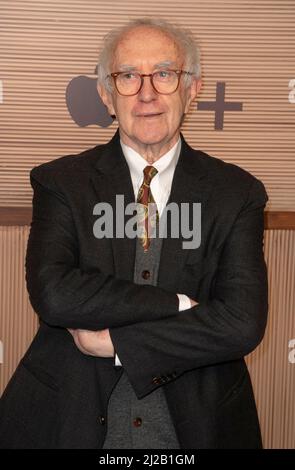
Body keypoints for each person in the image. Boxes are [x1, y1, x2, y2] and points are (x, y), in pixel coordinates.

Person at [0, 17, 268, 449]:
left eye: (164, 73)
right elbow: (56, 294)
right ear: (107, 95)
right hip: (69, 417)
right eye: (128, 76)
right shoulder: (61, 182)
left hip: (196, 422)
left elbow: (239, 323)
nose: (147, 93)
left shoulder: (237, 193)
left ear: (192, 88)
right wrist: (180, 305)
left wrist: (117, 344)